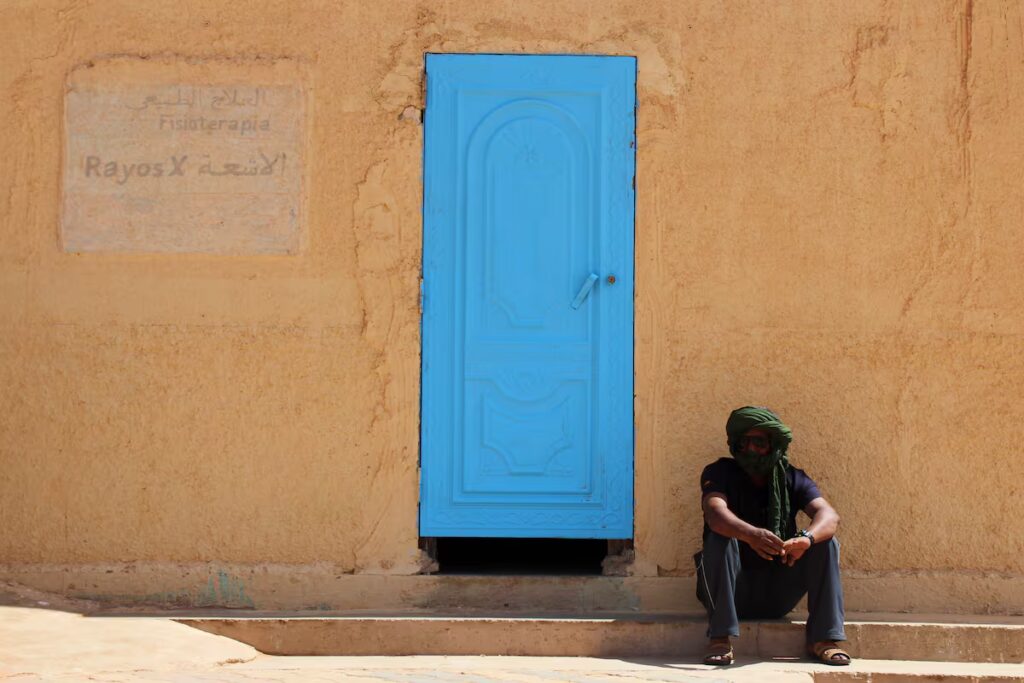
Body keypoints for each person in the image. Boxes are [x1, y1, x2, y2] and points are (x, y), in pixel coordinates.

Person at [695, 406, 851, 666]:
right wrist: (751, 535)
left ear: (774, 445)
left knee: (826, 543)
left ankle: (824, 639)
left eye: (759, 442)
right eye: (744, 442)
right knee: (719, 536)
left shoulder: (793, 478)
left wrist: (806, 540)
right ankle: (720, 637)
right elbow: (714, 512)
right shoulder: (720, 472)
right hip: (733, 592)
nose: (751, 449)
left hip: (778, 593)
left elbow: (829, 516)